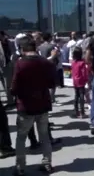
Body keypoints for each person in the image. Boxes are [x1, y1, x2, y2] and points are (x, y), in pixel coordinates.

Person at [11, 36, 56, 175]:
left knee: (21, 137)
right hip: (42, 104)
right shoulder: (45, 62)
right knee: (44, 136)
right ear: (35, 48)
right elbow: (51, 83)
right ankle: (47, 163)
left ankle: (20, 167)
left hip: (26, 106)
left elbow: (14, 86)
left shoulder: (20, 63)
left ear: (22, 49)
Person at [71, 47, 88, 118]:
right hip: (81, 81)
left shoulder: (73, 63)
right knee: (81, 96)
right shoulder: (82, 63)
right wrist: (86, 80)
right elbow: (84, 73)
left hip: (75, 81)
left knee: (76, 96)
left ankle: (76, 111)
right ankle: (82, 112)